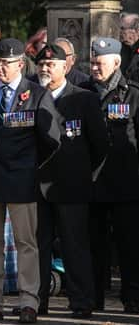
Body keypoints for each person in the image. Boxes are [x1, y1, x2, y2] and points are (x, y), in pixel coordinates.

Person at [0, 38, 61, 324]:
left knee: (26, 243)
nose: (0, 68)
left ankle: (29, 302)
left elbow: (52, 141)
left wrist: (30, 167)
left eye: (6, 63)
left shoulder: (36, 94)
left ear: (20, 64)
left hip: (21, 180)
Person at [33, 43, 107, 319]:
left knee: (75, 246)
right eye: (41, 64)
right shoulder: (30, 95)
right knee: (37, 247)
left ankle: (81, 301)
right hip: (37, 186)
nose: (45, 69)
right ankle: (36, 301)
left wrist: (84, 175)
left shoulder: (84, 99)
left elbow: (99, 144)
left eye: (51, 65)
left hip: (71, 185)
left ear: (66, 67)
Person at [79, 37, 139, 314]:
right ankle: (93, 298)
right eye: (91, 63)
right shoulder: (81, 93)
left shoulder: (133, 95)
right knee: (93, 245)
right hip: (91, 182)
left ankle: (132, 297)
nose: (94, 68)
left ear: (116, 63)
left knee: (129, 244)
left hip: (126, 182)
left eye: (99, 63)